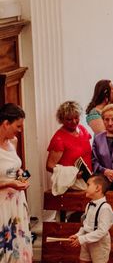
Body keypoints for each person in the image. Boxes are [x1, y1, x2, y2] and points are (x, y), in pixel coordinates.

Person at [0, 103, 33, 262]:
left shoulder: (13, 142)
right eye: (17, 126)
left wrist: (21, 176)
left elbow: (15, 169)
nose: (19, 130)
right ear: (6, 123)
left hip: (17, 202)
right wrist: (9, 184)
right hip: (2, 205)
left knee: (18, 248)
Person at [69, 174, 113, 263]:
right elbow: (85, 225)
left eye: (88, 185)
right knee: (83, 260)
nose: (86, 188)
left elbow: (101, 231)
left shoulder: (105, 208)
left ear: (98, 188)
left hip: (99, 244)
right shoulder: (89, 205)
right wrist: (78, 235)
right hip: (86, 240)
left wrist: (82, 239)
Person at [47, 101, 92, 172]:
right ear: (61, 120)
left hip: (88, 178)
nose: (74, 122)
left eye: (76, 118)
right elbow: (50, 166)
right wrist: (73, 174)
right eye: (69, 119)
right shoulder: (59, 139)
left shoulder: (82, 129)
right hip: (72, 181)